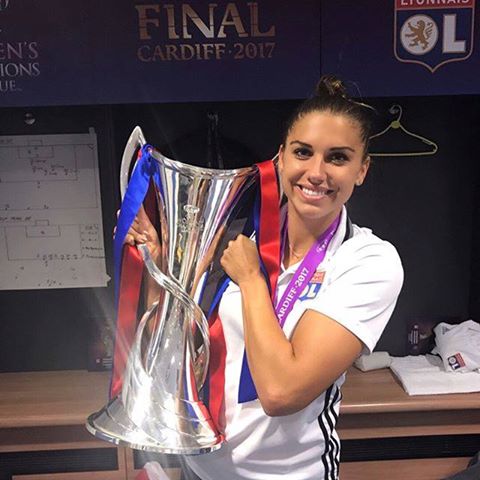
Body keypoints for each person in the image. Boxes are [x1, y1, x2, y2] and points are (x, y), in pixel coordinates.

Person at [126, 75, 404, 480]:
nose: (316, 172)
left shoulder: (366, 261)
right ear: (280, 158)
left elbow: (280, 392)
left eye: (338, 158)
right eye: (303, 152)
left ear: (361, 170)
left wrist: (252, 280)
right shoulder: (232, 236)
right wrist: (158, 269)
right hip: (199, 469)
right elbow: (172, 350)